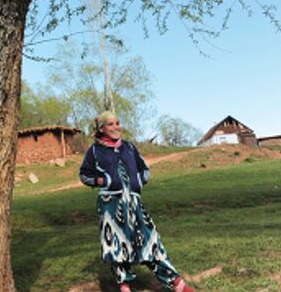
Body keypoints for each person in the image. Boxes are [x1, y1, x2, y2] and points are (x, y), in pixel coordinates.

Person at [79, 111, 195, 292]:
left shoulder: (129, 147)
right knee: (116, 244)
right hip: (110, 204)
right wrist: (103, 181)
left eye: (117, 123)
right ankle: (124, 286)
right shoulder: (94, 151)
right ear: (101, 128)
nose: (116, 127)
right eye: (110, 124)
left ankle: (176, 283)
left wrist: (139, 181)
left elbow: (144, 168)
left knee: (151, 239)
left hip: (134, 203)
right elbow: (84, 175)